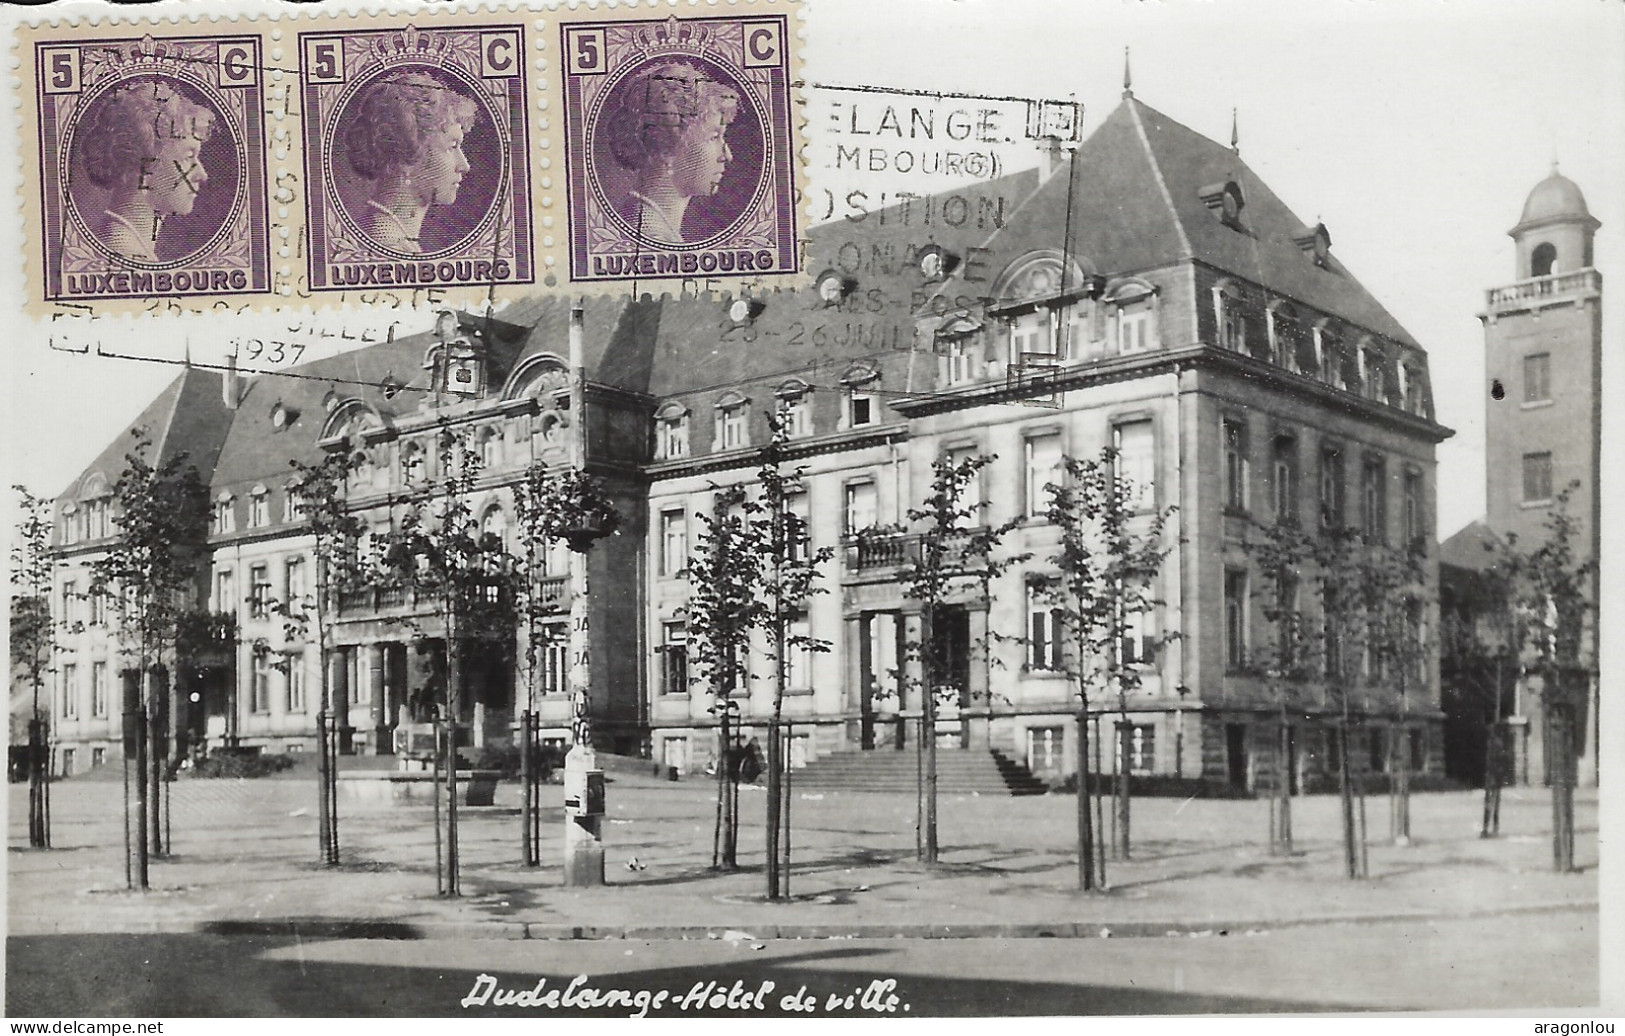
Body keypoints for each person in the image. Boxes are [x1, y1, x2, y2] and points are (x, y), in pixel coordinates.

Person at [75, 78, 215, 263]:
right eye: (188, 157)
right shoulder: (121, 250)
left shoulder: (132, 247)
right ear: (145, 165)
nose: (202, 175)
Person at [603, 60, 739, 245]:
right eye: (713, 137)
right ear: (667, 145)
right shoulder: (649, 235)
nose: (727, 155)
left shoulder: (653, 229)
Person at [343, 72, 478, 254]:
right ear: (408, 157)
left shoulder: (391, 235)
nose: (464, 165)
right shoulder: (389, 244)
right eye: (451, 147)